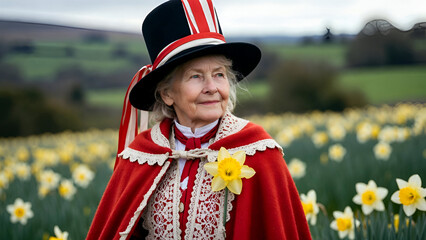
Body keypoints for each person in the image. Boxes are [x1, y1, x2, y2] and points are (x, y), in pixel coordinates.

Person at [87, 0, 312, 239]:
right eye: (196, 76)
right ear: (167, 93)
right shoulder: (141, 156)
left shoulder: (258, 152)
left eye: (219, 74)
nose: (212, 87)